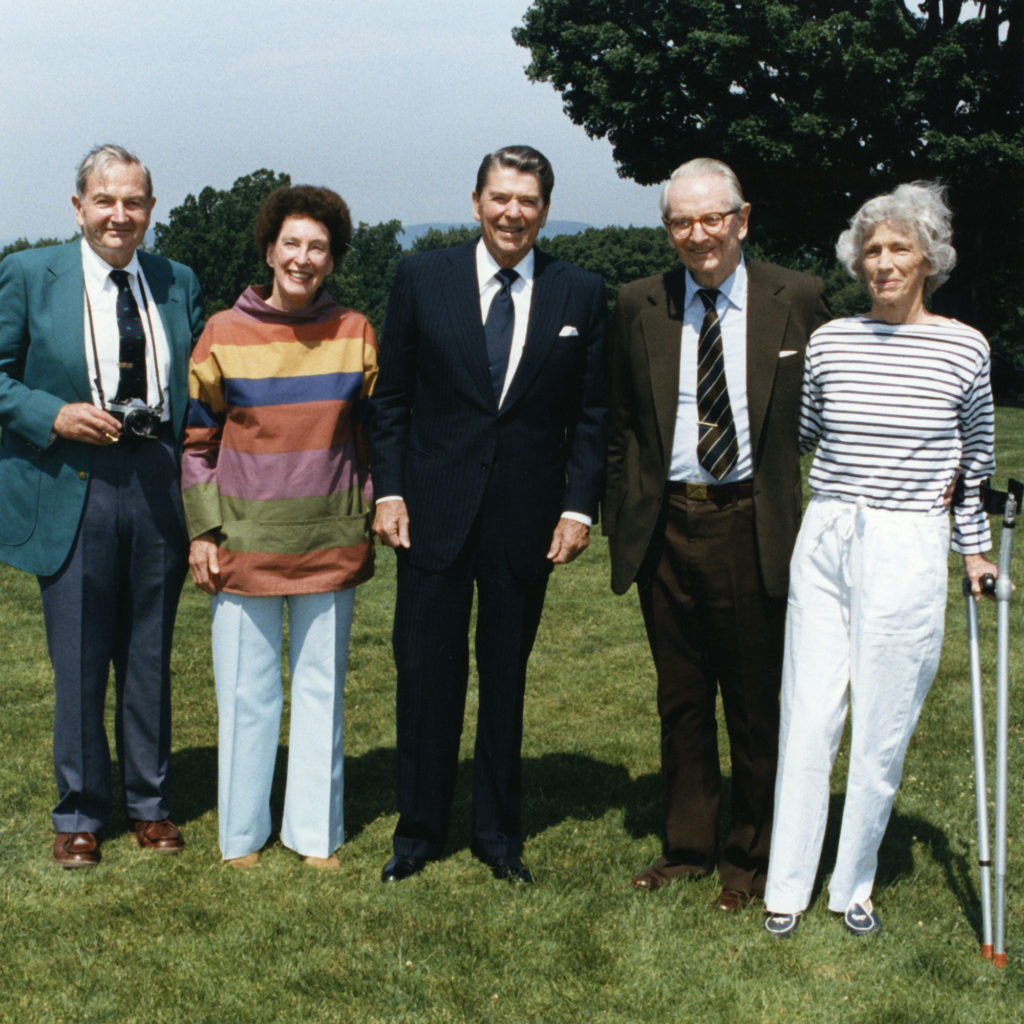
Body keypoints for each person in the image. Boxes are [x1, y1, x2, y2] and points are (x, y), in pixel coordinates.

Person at [762, 182, 998, 937]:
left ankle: (852, 884)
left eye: (899, 247)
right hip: (829, 533)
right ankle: (786, 887)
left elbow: (976, 461)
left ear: (929, 256)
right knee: (807, 710)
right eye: (872, 250)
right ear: (856, 263)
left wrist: (976, 553)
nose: (884, 262)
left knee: (883, 721)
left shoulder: (965, 346)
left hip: (908, 541)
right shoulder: (831, 340)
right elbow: (801, 436)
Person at [370, 145, 606, 884]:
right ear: (477, 202)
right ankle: (418, 832)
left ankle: (498, 834)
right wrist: (390, 491)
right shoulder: (422, 277)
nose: (513, 213)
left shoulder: (580, 292)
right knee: (425, 673)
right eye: (501, 198)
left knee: (505, 675)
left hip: (525, 520)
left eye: (528, 200)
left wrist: (578, 506)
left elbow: (594, 416)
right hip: (431, 513)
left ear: (544, 209)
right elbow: (392, 402)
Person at [604, 157, 830, 909]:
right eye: (681, 221)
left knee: (755, 701)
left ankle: (752, 859)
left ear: (742, 218)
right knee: (682, 697)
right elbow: (622, 424)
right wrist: (623, 510)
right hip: (666, 522)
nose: (698, 235)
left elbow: (836, 402)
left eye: (712, 219)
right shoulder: (639, 303)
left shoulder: (795, 298)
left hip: (752, 521)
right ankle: (688, 847)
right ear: (667, 228)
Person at [0, 144, 203, 867]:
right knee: (81, 656)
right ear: (79, 205)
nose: (121, 215)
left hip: (155, 481)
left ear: (151, 210)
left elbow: (198, 387)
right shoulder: (28, 275)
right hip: (71, 482)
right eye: (107, 200)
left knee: (148, 651)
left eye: (136, 201)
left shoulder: (176, 279)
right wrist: (52, 414)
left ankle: (150, 805)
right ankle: (81, 814)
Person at [183, 185, 377, 870]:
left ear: (332, 259)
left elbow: (373, 435)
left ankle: (314, 835)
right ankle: (240, 837)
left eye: (318, 247)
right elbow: (196, 442)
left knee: (322, 693)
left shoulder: (356, 332)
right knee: (247, 693)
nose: (303, 257)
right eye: (291, 244)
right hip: (242, 542)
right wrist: (202, 532)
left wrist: (374, 502)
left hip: (332, 539)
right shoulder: (220, 333)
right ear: (269, 250)